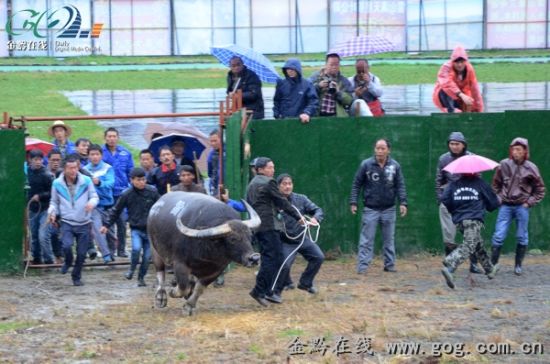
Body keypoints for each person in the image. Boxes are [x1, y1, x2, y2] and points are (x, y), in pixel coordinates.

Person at [246, 157, 305, 306]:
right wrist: (299, 217)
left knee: (269, 259)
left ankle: (266, 291)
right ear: (260, 170)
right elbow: (282, 201)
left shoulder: (251, 184)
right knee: (275, 259)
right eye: (269, 168)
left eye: (273, 167)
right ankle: (261, 291)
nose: (272, 171)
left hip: (258, 227)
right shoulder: (269, 182)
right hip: (270, 226)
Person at [350, 138, 408, 274]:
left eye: (383, 148)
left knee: (389, 239)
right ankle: (363, 267)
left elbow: (400, 185)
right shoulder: (366, 165)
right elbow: (356, 184)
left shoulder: (395, 166)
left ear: (388, 150)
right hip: (370, 208)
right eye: (377, 148)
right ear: (374, 149)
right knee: (366, 239)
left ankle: (390, 265)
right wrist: (353, 202)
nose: (380, 151)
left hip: (389, 208)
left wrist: (403, 203)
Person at [491, 138, 545, 275]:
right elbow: (495, 185)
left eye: (518, 150)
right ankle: (493, 264)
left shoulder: (531, 168)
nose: (515, 152)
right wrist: (499, 198)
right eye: (513, 149)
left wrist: (529, 203)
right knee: (498, 235)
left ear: (525, 151)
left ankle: (518, 265)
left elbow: (540, 190)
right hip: (505, 206)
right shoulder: (503, 164)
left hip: (522, 206)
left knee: (522, 236)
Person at [440, 172, 500, 289]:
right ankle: (450, 267)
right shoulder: (480, 184)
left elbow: (445, 200)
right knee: (470, 245)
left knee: (477, 244)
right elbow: (493, 204)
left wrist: (457, 210)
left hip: (460, 221)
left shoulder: (453, 185)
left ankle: (489, 269)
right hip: (474, 220)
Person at [101, 168, 161, 286]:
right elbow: (116, 210)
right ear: (132, 180)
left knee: (147, 257)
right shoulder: (126, 194)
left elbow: (161, 207)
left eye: (143, 179)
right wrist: (107, 225)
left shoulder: (152, 192)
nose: (141, 182)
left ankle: (141, 278)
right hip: (136, 229)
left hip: (150, 230)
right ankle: (131, 270)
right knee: (136, 249)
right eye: (138, 180)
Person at [435, 132, 483, 274]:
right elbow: (438, 180)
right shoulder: (443, 159)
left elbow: (478, 181)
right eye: (452, 143)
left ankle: (474, 265)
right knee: (448, 235)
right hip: (449, 201)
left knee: (471, 234)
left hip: (467, 202)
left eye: (457, 144)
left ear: (463, 144)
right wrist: (441, 198)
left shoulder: (471, 158)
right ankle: (449, 265)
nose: (454, 146)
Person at [48, 156, 98, 286]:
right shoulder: (57, 184)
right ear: (64, 169)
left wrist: (91, 203)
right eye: (70, 168)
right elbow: (54, 201)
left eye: (75, 167)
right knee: (66, 245)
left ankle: (76, 276)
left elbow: (94, 196)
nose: (73, 170)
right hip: (67, 221)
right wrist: (52, 213)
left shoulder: (86, 181)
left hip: (84, 221)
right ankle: (68, 261)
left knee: (81, 253)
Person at [274, 174, 324, 295]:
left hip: (302, 238)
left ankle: (305, 283)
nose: (287, 186)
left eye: (289, 184)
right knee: (284, 265)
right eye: (284, 184)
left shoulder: (301, 199)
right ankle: (276, 292)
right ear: (278, 186)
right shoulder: (274, 202)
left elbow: (318, 210)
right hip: (285, 241)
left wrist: (316, 219)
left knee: (318, 257)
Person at [102, 127, 134, 258]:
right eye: (109, 136)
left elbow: (130, 172)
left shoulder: (125, 153)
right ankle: (110, 250)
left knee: (121, 222)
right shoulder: (100, 152)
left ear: (118, 137)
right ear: (105, 138)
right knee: (108, 223)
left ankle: (121, 249)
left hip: (121, 193)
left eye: (114, 136)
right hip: (106, 193)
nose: (111, 139)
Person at [84, 144, 116, 263]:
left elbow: (111, 183)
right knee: (98, 230)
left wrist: (99, 183)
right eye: (92, 154)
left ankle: (112, 252)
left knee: (110, 233)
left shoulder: (108, 168)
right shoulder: (85, 170)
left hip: (108, 204)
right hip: (94, 206)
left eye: (97, 154)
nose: (95, 157)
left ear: (101, 155)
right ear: (88, 156)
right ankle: (106, 255)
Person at [432, 45, 483, 113]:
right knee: (445, 90)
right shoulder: (446, 67)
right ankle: (451, 111)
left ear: (465, 61)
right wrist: (461, 95)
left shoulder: (469, 69)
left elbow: (475, 89)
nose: (459, 65)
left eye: (462, 62)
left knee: (470, 104)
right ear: (453, 62)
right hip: (444, 97)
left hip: (461, 97)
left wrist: (478, 110)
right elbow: (447, 84)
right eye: (457, 62)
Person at [26, 149, 55, 265]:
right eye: (35, 160)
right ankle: (36, 258)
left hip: (45, 209)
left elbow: (53, 192)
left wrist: (40, 196)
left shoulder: (47, 175)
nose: (38, 162)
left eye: (40, 159)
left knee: (43, 235)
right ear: (30, 160)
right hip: (32, 209)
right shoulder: (26, 172)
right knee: (33, 236)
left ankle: (49, 259)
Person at [273, 58, 318, 123]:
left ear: (298, 69)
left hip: (301, 121)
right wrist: (276, 115)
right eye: (288, 69)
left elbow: (313, 101)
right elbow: (276, 101)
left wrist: (307, 113)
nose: (290, 71)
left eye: (292, 69)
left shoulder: (307, 84)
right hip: (283, 121)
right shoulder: (281, 84)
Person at [309, 53, 353, 117]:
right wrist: (318, 86)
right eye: (331, 64)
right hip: (318, 115)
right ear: (326, 65)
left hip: (336, 116)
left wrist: (338, 92)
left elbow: (349, 101)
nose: (334, 67)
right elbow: (306, 93)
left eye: (336, 64)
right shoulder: (316, 77)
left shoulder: (343, 81)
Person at [207, 129, 222, 196]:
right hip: (215, 185)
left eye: (215, 141)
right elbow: (209, 173)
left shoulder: (228, 151)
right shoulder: (211, 154)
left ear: (221, 139)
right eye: (211, 141)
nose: (213, 143)